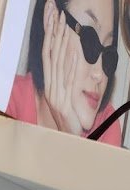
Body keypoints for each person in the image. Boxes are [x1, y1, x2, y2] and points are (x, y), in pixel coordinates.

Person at [7, 0, 122, 146]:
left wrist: (69, 140)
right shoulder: (5, 103)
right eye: (90, 40)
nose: (99, 74)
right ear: (53, 20)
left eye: (108, 53)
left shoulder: (106, 128)